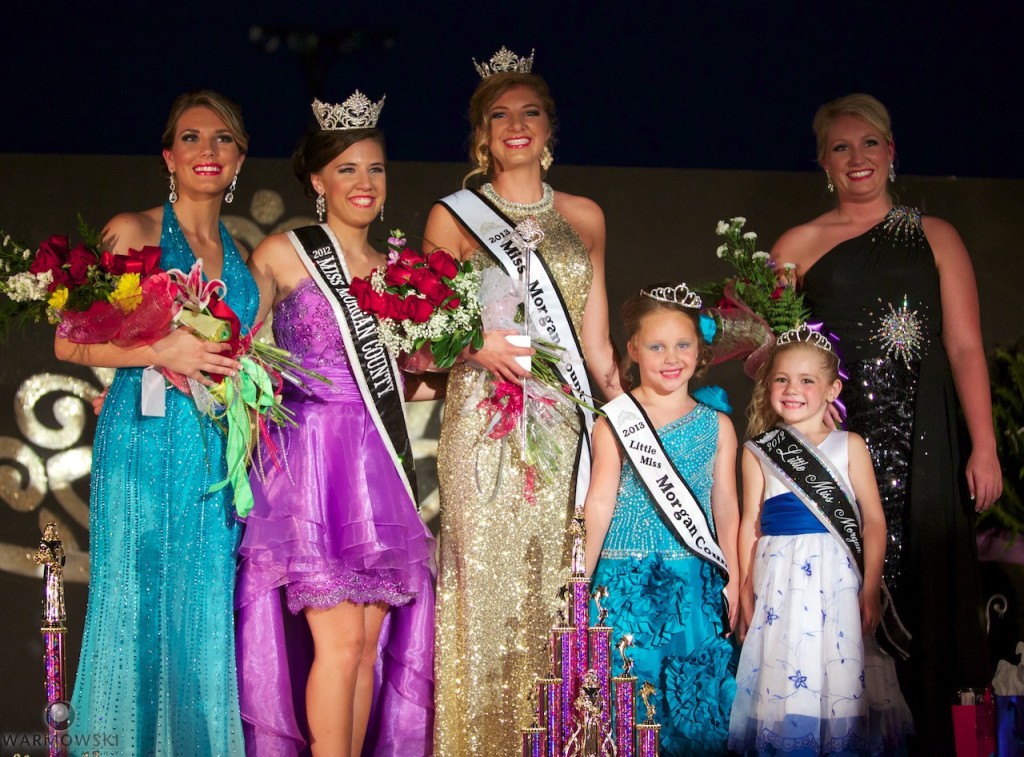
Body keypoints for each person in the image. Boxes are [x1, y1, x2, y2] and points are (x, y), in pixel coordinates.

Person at [771, 93, 1001, 752]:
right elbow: (778, 357)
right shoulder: (798, 245)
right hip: (840, 453)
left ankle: (949, 742)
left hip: (924, 451)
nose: (857, 158)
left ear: (891, 152)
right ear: (823, 162)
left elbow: (962, 346)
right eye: (841, 147)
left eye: (869, 143)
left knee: (933, 614)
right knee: (839, 615)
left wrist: (982, 444)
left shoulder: (935, 236)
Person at [421, 46, 625, 754]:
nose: (516, 124)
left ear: (549, 129)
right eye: (499, 114)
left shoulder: (587, 217)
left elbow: (596, 346)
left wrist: (633, 417)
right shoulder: (453, 216)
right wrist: (474, 346)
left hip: (562, 419)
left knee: (552, 584)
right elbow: (427, 333)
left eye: (529, 112)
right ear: (482, 135)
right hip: (483, 418)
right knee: (481, 587)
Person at [234, 92, 436, 757]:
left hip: (378, 463)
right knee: (338, 643)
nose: (365, 184)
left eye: (375, 169)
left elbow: (407, 377)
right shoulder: (283, 253)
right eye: (348, 170)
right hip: (314, 458)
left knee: (367, 646)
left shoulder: (399, 274)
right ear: (319, 180)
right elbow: (234, 343)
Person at [56, 90, 256, 753]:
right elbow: (70, 340)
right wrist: (158, 351)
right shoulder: (133, 230)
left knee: (201, 616)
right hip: (142, 443)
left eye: (222, 139)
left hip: (211, 453)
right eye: (193, 138)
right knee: (137, 607)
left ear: (239, 159)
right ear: (168, 155)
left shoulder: (243, 258)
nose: (208, 150)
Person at [728, 327, 913, 755]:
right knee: (786, 678)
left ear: (832, 389)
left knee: (840, 680)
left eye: (807, 380)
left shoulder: (851, 445)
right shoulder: (758, 450)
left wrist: (869, 588)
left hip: (837, 585)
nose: (793, 389)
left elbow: (873, 523)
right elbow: (750, 525)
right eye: (782, 379)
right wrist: (745, 586)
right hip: (781, 584)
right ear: (768, 384)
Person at [583, 283, 739, 756]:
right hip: (622, 584)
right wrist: (578, 580)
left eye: (683, 345)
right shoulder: (614, 419)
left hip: (692, 583)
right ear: (632, 349)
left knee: (691, 708)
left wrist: (734, 578)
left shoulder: (718, 424)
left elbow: (726, 506)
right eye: (656, 346)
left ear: (700, 349)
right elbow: (600, 501)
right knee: (625, 703)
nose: (671, 357)